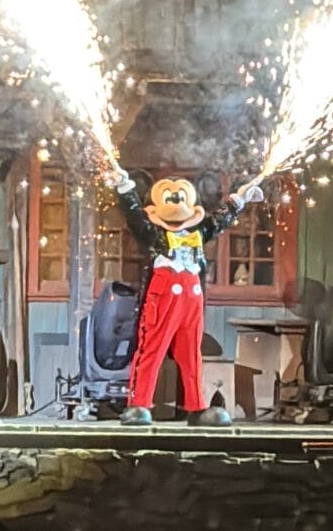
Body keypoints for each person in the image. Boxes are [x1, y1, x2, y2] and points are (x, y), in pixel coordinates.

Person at [105, 169, 263, 426]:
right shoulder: (154, 233)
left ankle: (196, 406)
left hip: (192, 298)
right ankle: (138, 404)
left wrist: (239, 200)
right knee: (151, 350)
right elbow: (136, 218)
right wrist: (125, 189)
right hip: (163, 296)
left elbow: (218, 221)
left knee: (191, 355)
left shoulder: (198, 233)